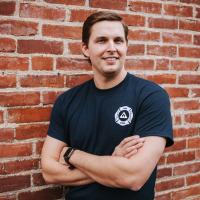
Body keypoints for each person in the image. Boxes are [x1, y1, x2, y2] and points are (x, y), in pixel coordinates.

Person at [41, 11, 174, 200]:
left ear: (126, 46)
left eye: (118, 41)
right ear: (85, 48)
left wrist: (71, 154)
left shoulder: (150, 96)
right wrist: (113, 164)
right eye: (102, 40)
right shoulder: (67, 101)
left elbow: (133, 177)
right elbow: (49, 172)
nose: (112, 48)